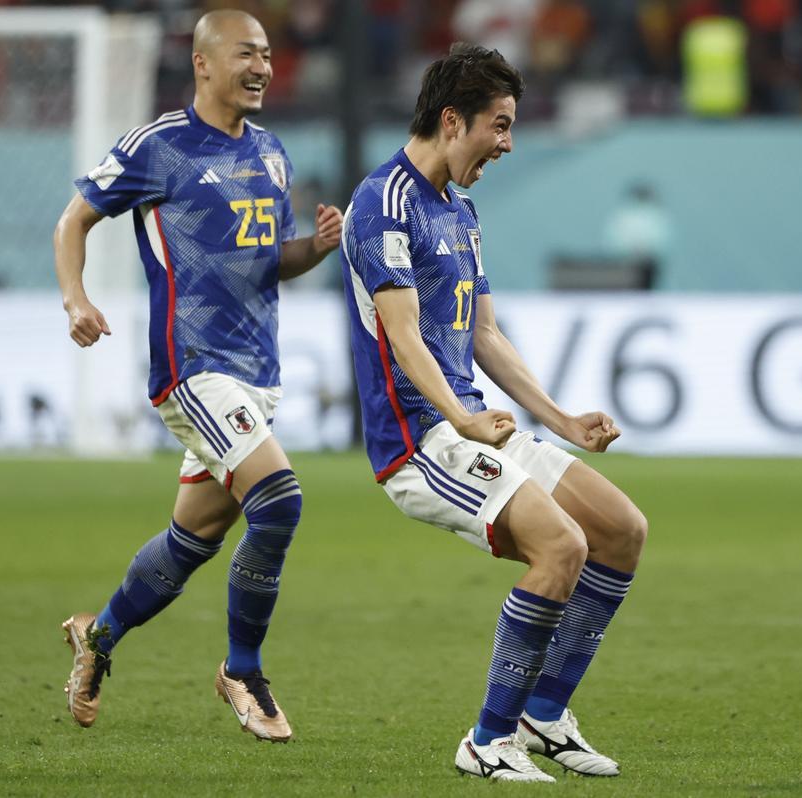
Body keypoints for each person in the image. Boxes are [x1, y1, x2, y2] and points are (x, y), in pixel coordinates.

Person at [339, 44, 647, 782]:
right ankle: (486, 740)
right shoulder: (381, 204)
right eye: (499, 125)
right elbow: (404, 336)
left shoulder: (460, 209)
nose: (508, 143)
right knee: (562, 546)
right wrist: (461, 418)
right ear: (453, 120)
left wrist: (560, 418)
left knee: (620, 531)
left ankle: (544, 713)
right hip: (419, 441)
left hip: (471, 424)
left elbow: (482, 333)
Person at [51, 10, 343, 739]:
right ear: (203, 62)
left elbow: (271, 259)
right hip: (194, 369)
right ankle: (242, 671)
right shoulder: (161, 146)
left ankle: (101, 637)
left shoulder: (273, 154)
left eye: (270, 55)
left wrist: (317, 246)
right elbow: (73, 221)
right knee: (279, 500)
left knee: (191, 542)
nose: (264, 67)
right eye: (248, 53)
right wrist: (76, 298)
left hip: (258, 374)